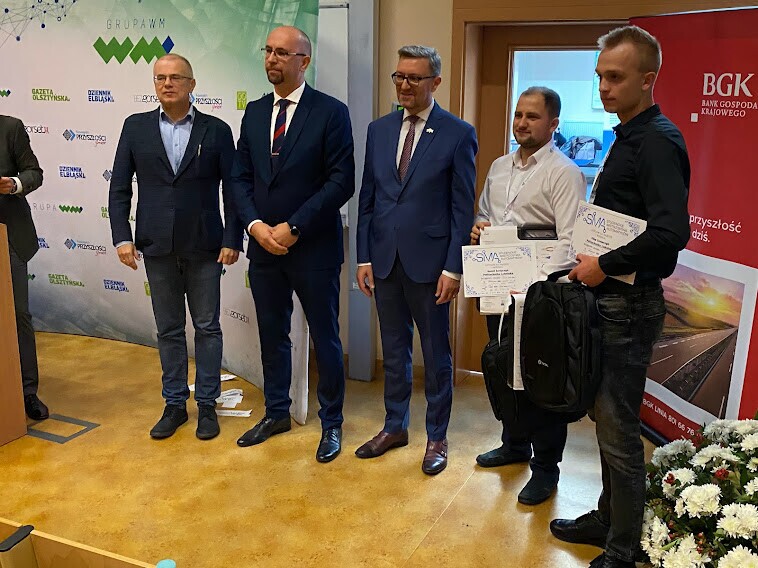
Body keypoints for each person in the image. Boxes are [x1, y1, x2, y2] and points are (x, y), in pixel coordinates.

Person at [549, 26, 690, 568]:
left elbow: (671, 232)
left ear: (648, 79)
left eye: (615, 77)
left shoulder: (657, 140)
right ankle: (608, 518)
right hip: (606, 301)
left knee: (618, 430)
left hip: (629, 306)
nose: (604, 87)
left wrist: (604, 264)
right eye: (600, 76)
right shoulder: (627, 135)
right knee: (605, 423)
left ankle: (624, 549)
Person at [231, 26, 354, 463]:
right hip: (263, 247)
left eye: (282, 53)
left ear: (304, 61)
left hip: (314, 248)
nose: (272, 59)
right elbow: (240, 177)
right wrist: (255, 226)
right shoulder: (254, 112)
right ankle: (276, 412)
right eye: (268, 50)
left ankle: (332, 422)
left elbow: (341, 181)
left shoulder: (330, 112)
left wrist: (294, 226)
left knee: (325, 337)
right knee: (272, 334)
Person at [355, 45, 477, 475]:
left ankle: (437, 436)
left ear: (435, 82)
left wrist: (453, 267)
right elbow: (368, 198)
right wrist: (364, 257)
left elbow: (462, 208)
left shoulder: (457, 133)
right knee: (393, 350)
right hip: (385, 259)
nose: (404, 85)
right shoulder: (379, 129)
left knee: (436, 355)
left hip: (431, 265)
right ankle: (395, 426)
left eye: (414, 78)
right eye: (399, 76)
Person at [109, 53, 243, 441]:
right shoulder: (135, 127)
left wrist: (232, 238)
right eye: (160, 78)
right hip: (156, 246)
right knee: (168, 329)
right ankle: (174, 405)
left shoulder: (217, 130)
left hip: (205, 246)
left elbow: (234, 191)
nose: (167, 84)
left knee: (207, 328)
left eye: (176, 77)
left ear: (191, 84)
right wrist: (122, 237)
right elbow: (119, 187)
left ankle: (207, 405)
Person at [470, 87, 585, 504]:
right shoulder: (500, 166)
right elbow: (485, 214)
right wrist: (480, 228)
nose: (522, 123)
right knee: (505, 368)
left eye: (532, 117)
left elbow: (571, 240)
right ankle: (514, 445)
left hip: (540, 296)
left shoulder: (564, 172)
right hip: (498, 288)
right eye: (519, 115)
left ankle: (546, 469)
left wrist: (535, 281)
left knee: (542, 378)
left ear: (553, 124)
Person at [0, 115, 47, 421]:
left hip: (10, 237)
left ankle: (28, 391)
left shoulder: (10, 127)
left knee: (18, 314)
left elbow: (34, 173)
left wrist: (14, 184)